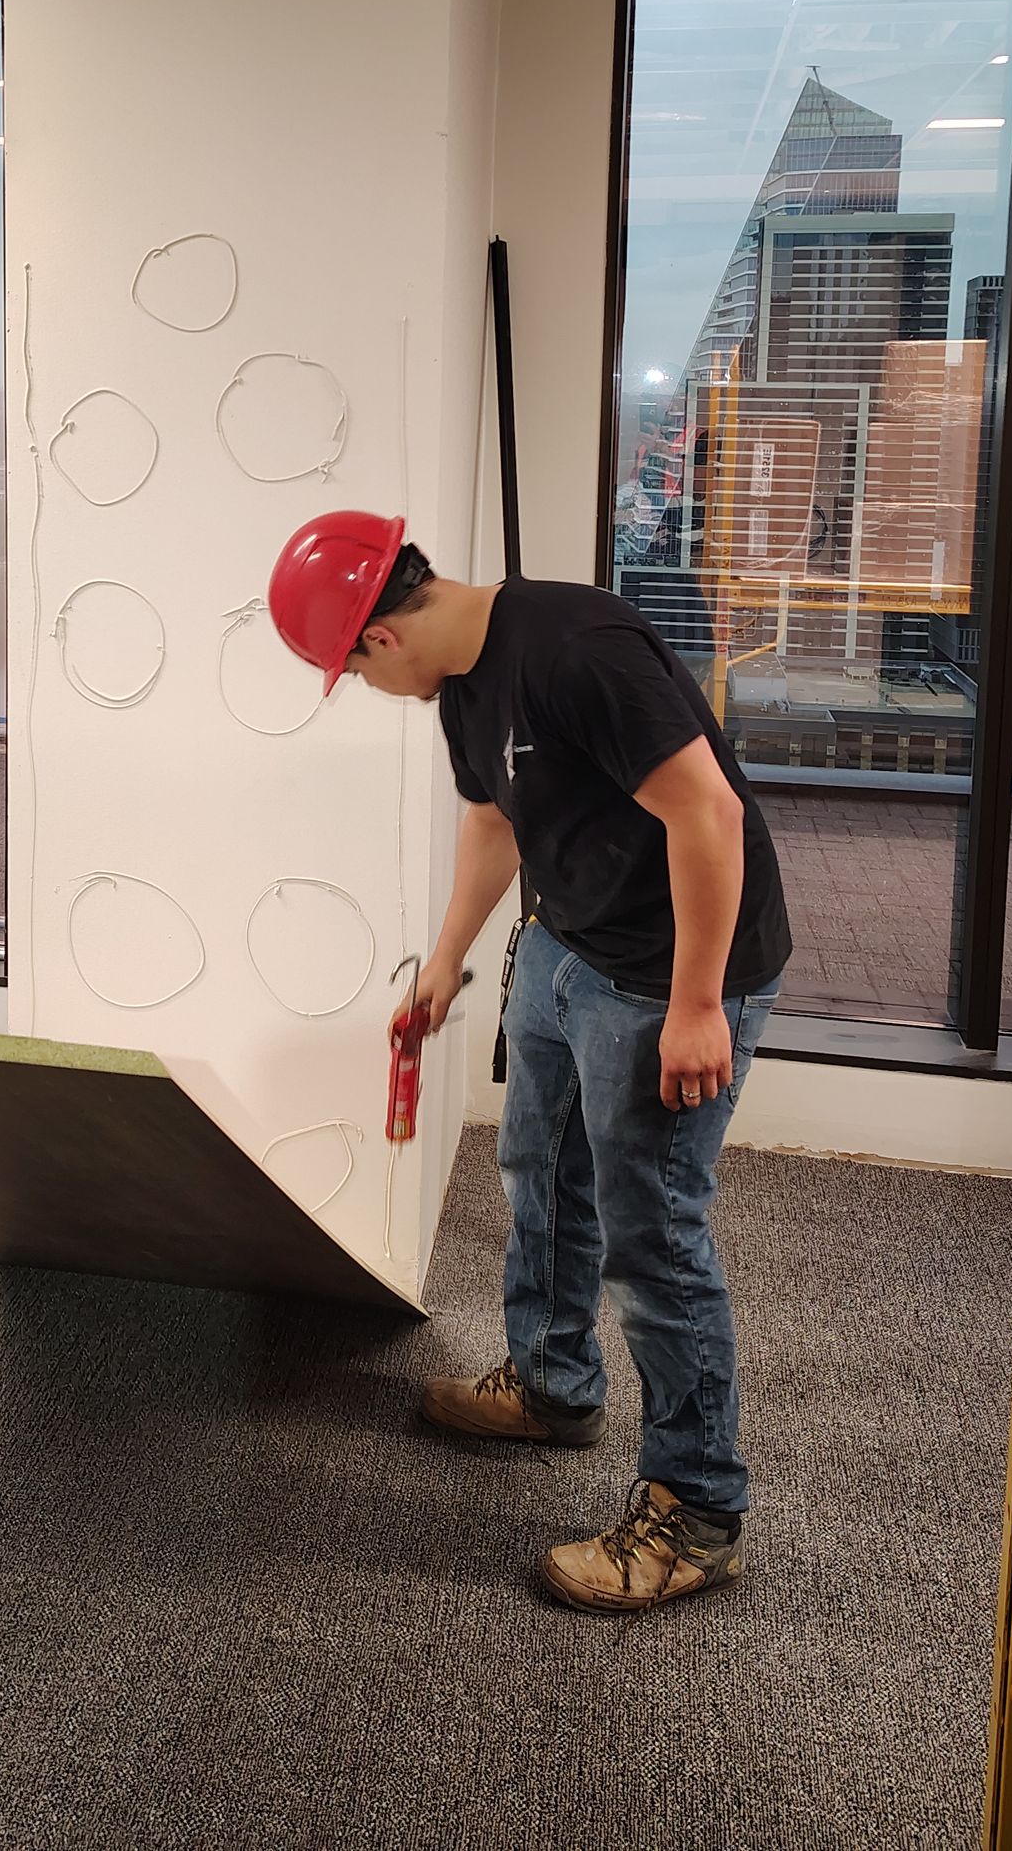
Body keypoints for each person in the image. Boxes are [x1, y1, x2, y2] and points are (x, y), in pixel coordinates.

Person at [269, 510, 791, 1615]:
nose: (361, 688)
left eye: (349, 673)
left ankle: (696, 1512)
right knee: (540, 1172)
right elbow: (495, 828)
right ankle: (553, 1385)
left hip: (667, 973)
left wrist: (700, 1002)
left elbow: (710, 815)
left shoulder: (571, 651)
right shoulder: (461, 683)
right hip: (564, 947)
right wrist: (445, 964)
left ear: (380, 642)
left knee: (655, 1238)